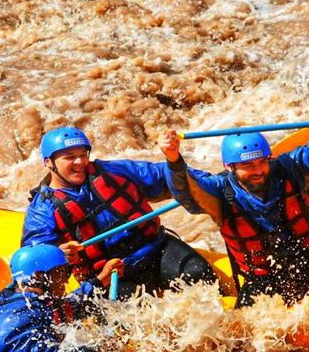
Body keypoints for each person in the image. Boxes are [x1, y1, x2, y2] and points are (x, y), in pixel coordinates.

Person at [158, 115, 309, 307]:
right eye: (248, 165)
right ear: (230, 167)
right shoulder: (219, 193)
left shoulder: (291, 169)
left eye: (262, 162)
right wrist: (174, 160)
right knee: (248, 323)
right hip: (262, 277)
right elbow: (189, 191)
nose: (258, 171)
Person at [22, 126, 215, 298]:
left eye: (83, 154)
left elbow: (163, 175)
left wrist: (211, 182)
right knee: (140, 313)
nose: (80, 161)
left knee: (200, 274)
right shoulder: (41, 211)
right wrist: (57, 254)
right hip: (108, 276)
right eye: (70, 157)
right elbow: (34, 262)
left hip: (157, 249)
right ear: (49, 162)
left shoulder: (114, 171)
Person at [0, 244, 122, 352]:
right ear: (39, 277)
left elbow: (70, 305)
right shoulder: (17, 312)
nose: (66, 280)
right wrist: (96, 349)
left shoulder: (35, 301)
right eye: (63, 272)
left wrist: (101, 279)